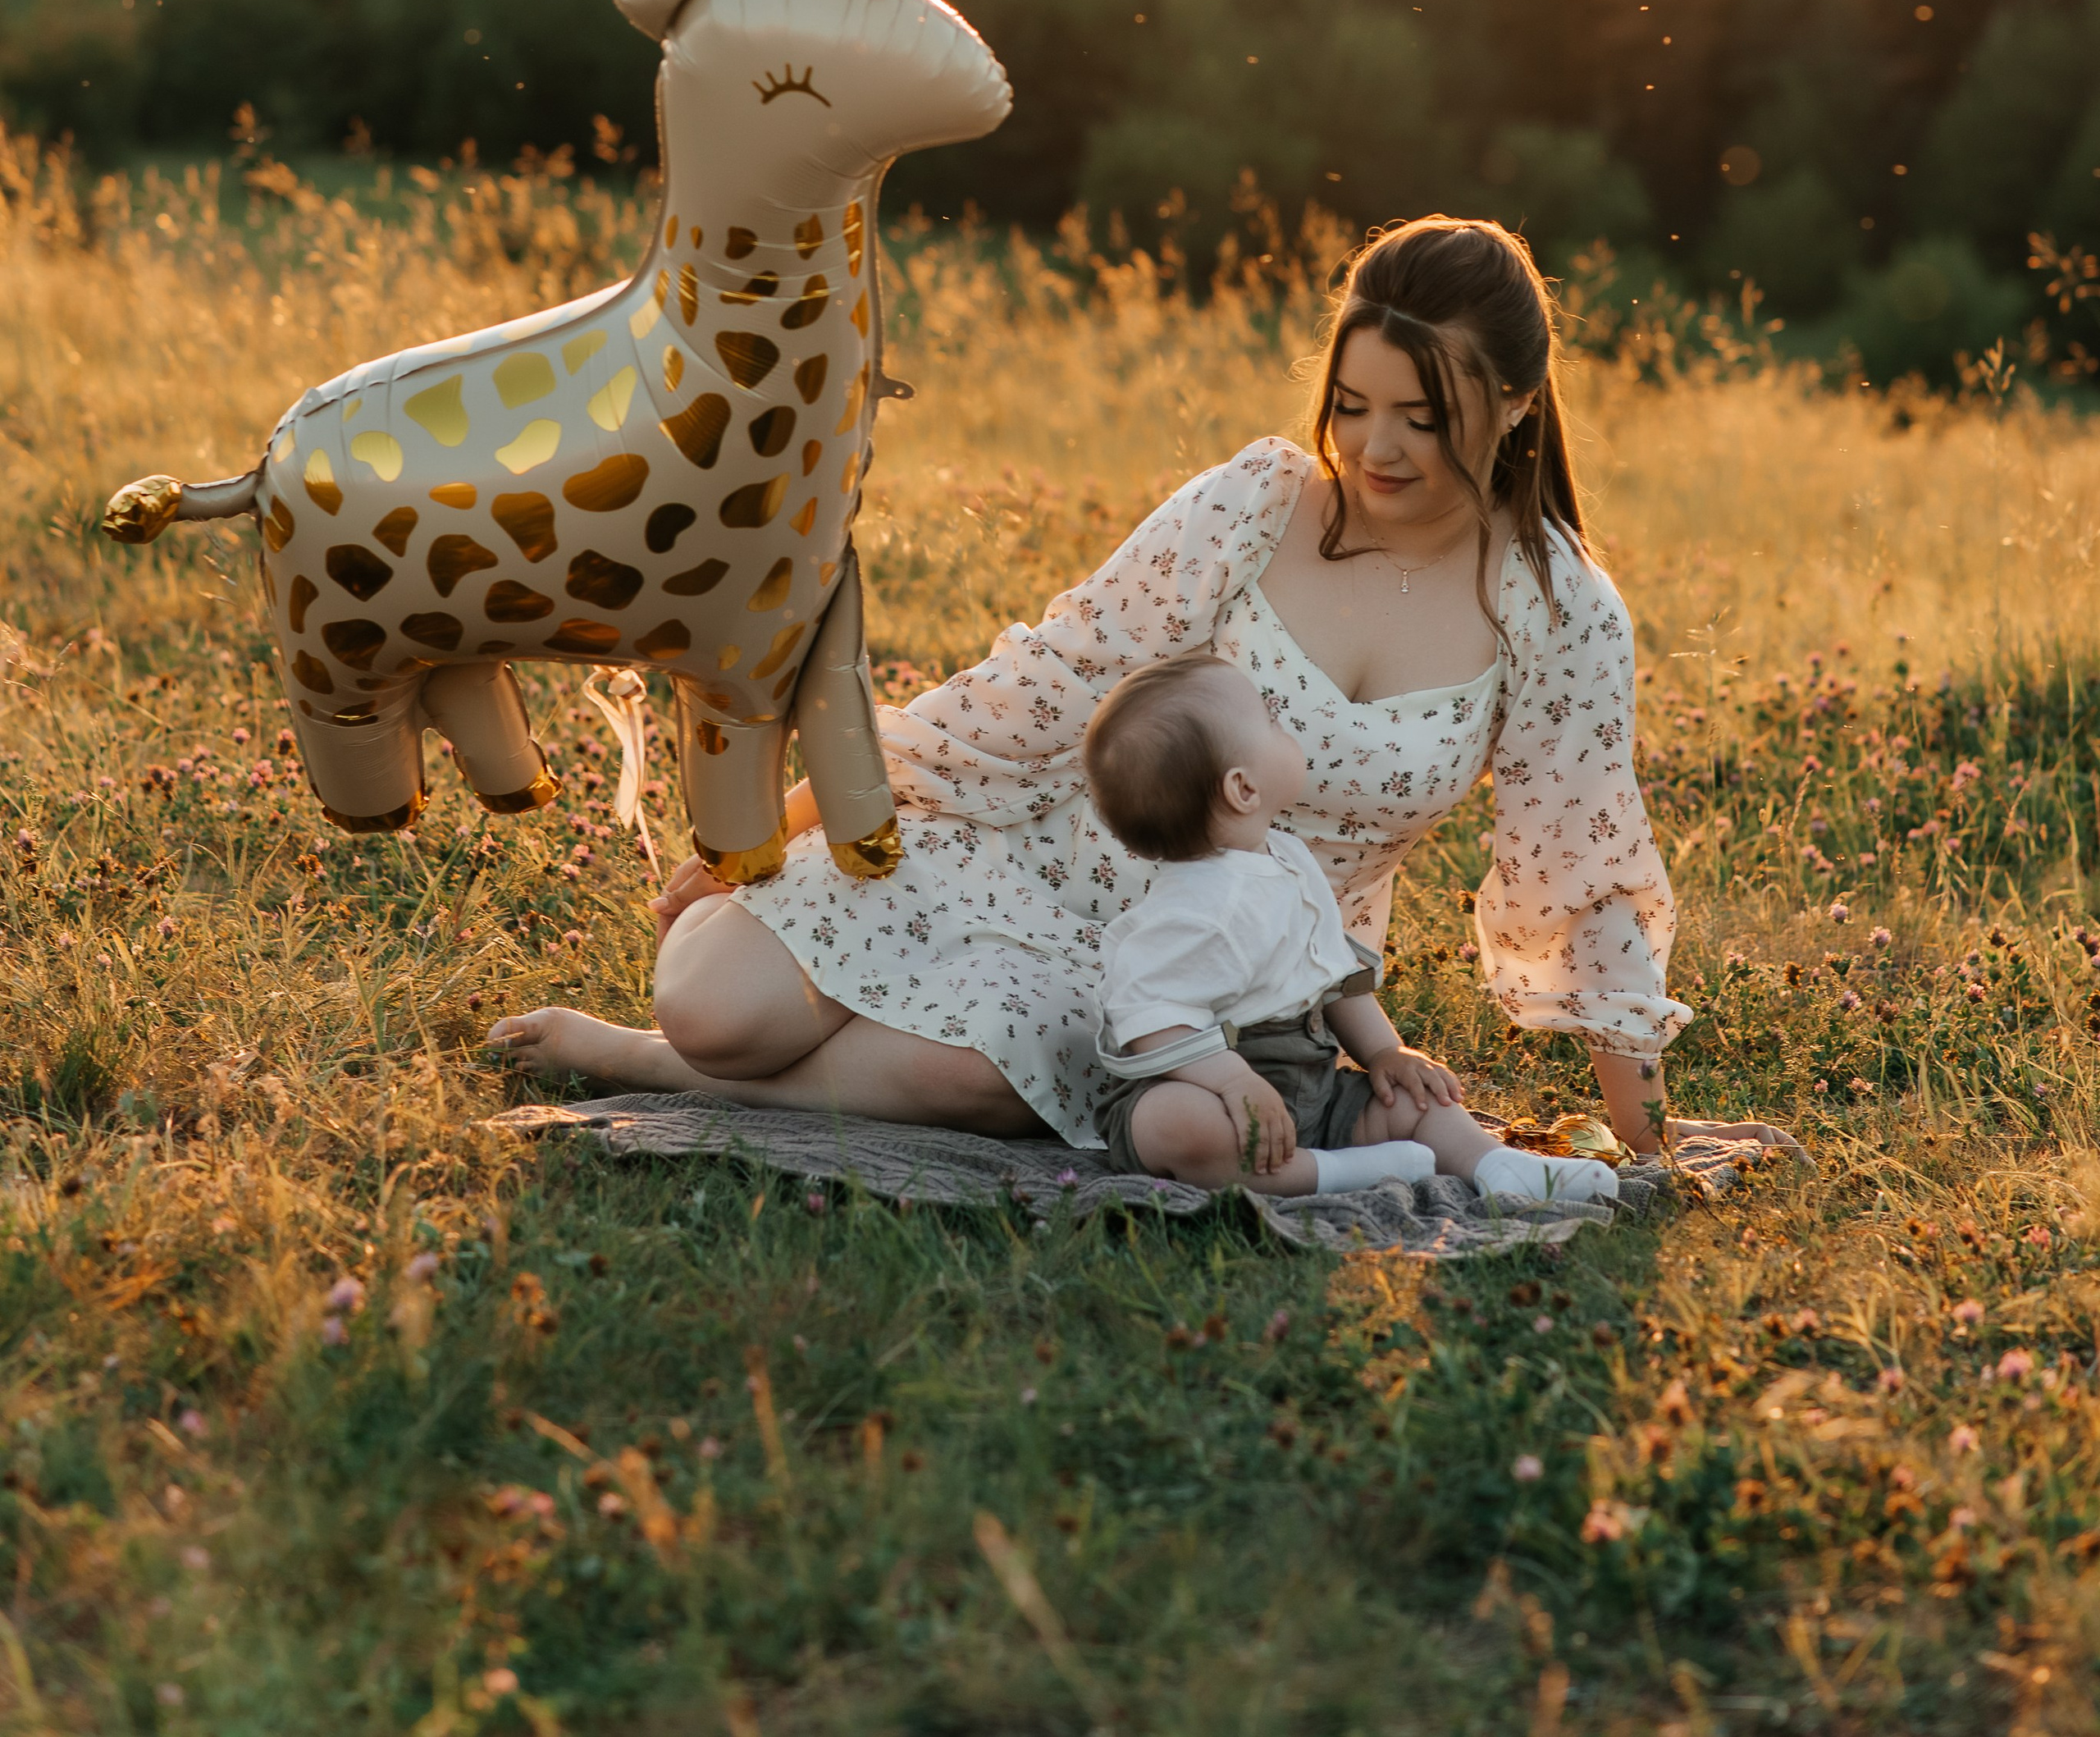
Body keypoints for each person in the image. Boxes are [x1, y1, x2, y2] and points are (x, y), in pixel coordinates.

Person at [496, 213, 1761, 1167]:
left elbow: (1577, 863)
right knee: (716, 1000)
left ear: (1519, 403)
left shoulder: (1557, 607)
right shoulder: (1259, 502)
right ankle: (687, 1045)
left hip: (1225, 972)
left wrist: (1642, 1130)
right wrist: (796, 817)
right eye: (1356, 403)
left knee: (993, 1080)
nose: (1378, 448)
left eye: (1425, 418)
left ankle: (641, 1068)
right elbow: (1052, 674)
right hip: (1036, 841)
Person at [1082, 647, 1618, 1204]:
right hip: (1217, 1096)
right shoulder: (1192, 912)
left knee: (1414, 1097)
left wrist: (1386, 1053)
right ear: (1243, 789)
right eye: (1268, 720)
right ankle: (1341, 1173)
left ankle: (1498, 1164)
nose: (1282, 722)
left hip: (1309, 1091)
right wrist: (1234, 1082)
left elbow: (1331, 978)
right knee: (1174, 1122)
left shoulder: (1285, 858)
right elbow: (1150, 1020)